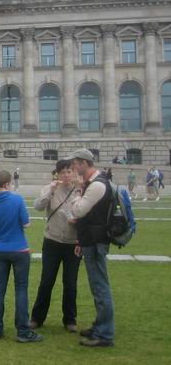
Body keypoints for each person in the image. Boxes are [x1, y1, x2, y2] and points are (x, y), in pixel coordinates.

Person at [0, 170, 42, 343]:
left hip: (0, 251)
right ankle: (22, 331)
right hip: (19, 250)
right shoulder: (17, 199)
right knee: (21, 289)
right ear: (8, 184)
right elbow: (27, 224)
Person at [67, 148, 115, 347]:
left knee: (100, 288)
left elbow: (78, 210)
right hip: (90, 240)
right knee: (97, 287)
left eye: (76, 164)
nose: (73, 168)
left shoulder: (96, 186)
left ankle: (104, 335)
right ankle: (99, 325)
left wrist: (78, 190)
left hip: (96, 242)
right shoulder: (96, 182)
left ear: (85, 163)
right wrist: (81, 241)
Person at [30, 159, 82, 333]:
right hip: (52, 241)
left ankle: (70, 319)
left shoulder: (81, 190)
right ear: (57, 174)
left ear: (74, 173)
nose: (66, 175)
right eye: (63, 172)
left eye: (69, 171)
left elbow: (87, 215)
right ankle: (37, 317)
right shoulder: (50, 188)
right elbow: (37, 206)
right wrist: (49, 193)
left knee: (70, 283)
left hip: (73, 243)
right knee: (46, 281)